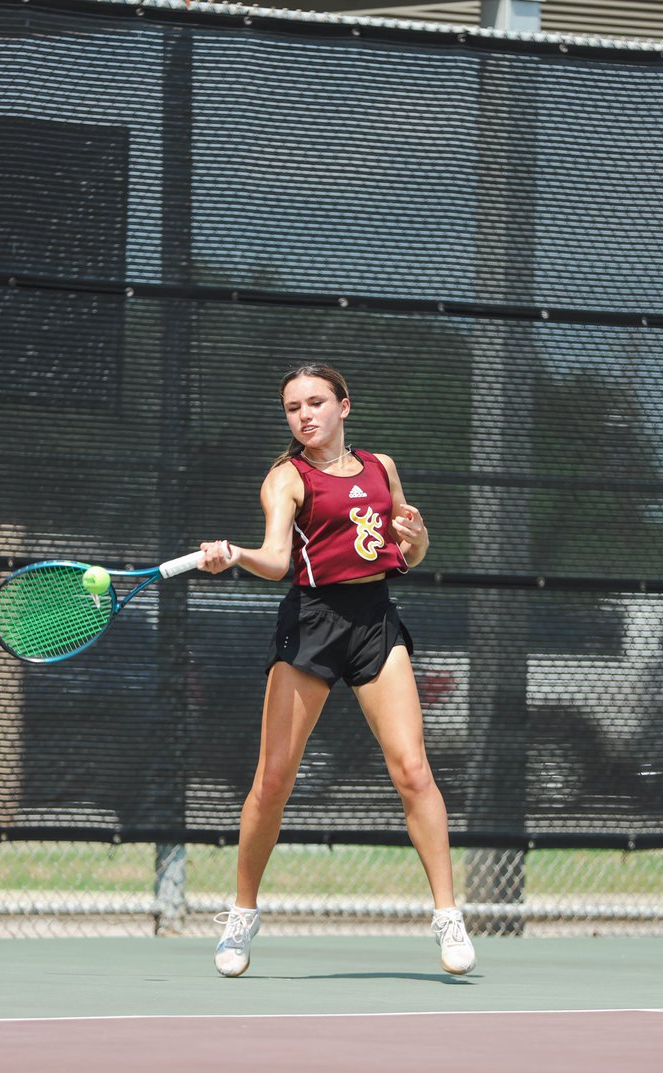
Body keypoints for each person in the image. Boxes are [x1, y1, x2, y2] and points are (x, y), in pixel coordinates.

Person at [198, 363, 475, 979]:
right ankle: (242, 914)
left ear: (344, 406)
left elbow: (407, 552)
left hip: (376, 621)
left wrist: (417, 535)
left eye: (316, 402)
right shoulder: (286, 478)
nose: (305, 415)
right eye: (293, 407)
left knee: (414, 771)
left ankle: (448, 916)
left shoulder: (381, 467)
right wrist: (235, 555)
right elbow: (277, 560)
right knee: (273, 780)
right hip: (313, 623)